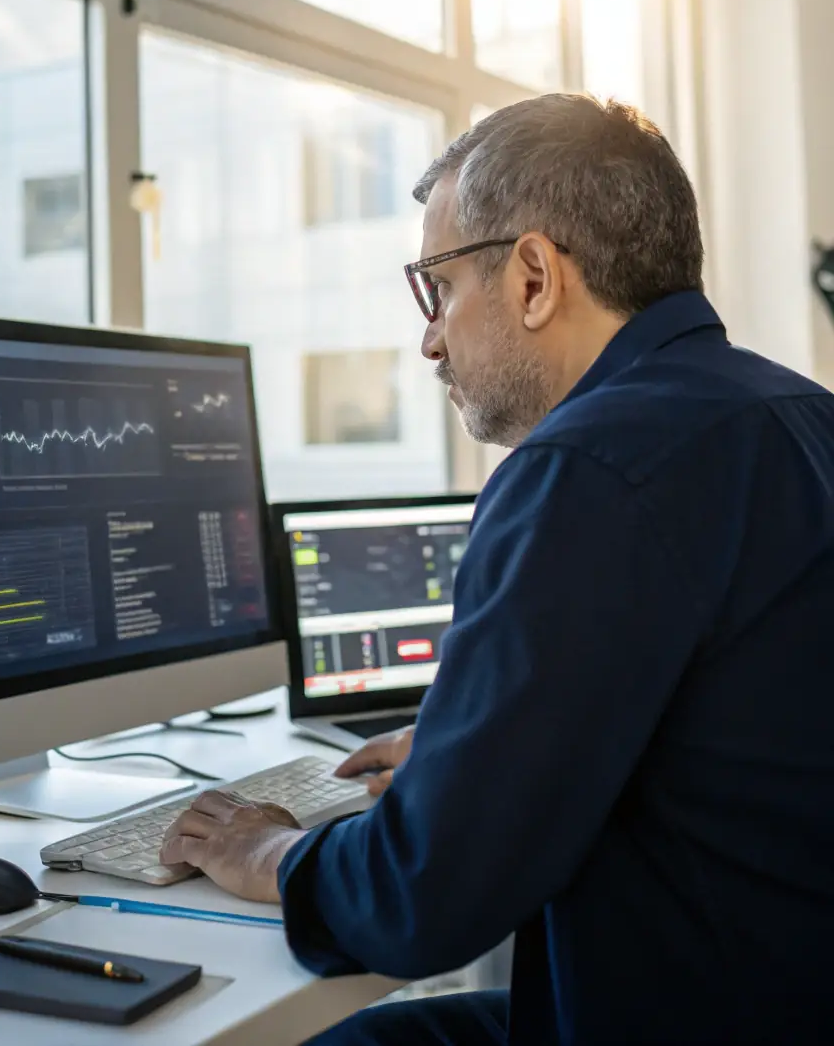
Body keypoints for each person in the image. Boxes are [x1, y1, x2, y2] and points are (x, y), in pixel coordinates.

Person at [161, 94, 834, 1045]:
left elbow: (425, 896)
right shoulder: (800, 414)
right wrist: (480, 758)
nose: (431, 339)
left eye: (438, 288)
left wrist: (269, 847)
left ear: (532, 278)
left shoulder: (584, 467)